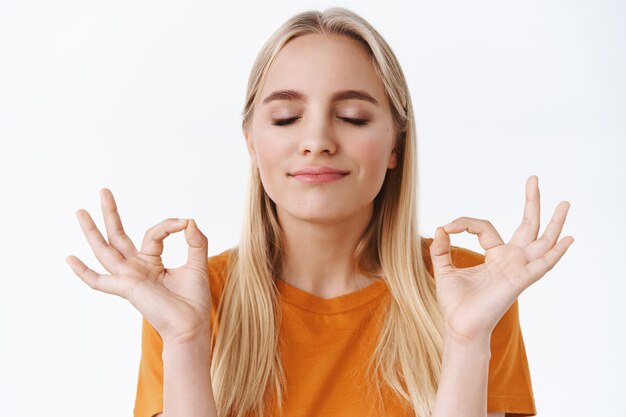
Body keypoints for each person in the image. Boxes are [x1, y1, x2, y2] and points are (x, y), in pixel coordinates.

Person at [65, 7, 573, 417]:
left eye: (352, 116)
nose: (316, 141)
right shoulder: (191, 301)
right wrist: (184, 341)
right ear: (251, 142)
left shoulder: (470, 289)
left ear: (395, 142)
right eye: (286, 117)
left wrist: (466, 342)